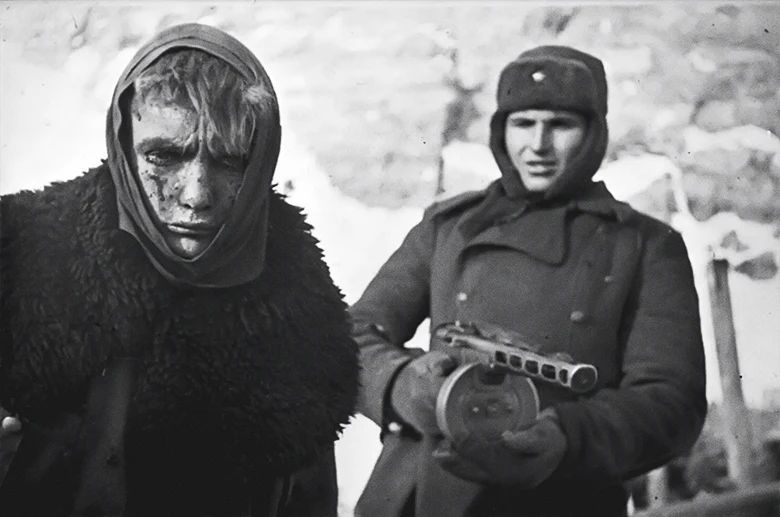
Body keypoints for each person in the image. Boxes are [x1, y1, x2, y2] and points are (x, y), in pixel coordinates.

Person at [0, 23, 359, 517]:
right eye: (164, 156)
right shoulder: (15, 258)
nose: (196, 196)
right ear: (123, 149)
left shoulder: (299, 316)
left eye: (231, 162)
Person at [350, 45, 707, 517]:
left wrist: (565, 436)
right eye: (522, 123)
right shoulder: (449, 227)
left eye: (560, 125)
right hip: (422, 492)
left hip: (559, 497)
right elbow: (350, 337)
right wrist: (406, 388)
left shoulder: (643, 245)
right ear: (501, 131)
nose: (537, 145)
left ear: (594, 132)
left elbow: (671, 401)